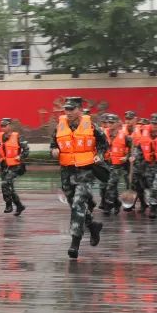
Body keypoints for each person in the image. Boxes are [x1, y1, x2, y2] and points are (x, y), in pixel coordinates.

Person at [52, 98, 108, 259]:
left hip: (85, 171)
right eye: (66, 109)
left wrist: (99, 155)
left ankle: (74, 243)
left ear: (79, 109)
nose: (68, 112)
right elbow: (53, 143)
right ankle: (93, 226)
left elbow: (104, 143)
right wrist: (54, 150)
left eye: (71, 109)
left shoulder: (91, 126)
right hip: (67, 172)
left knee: (78, 203)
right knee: (74, 205)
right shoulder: (60, 126)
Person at [0, 117, 29, 216]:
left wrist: (21, 156)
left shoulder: (18, 136)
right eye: (1, 126)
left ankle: (8, 204)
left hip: (15, 165)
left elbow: (26, 149)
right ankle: (19, 205)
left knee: (5, 183)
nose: (3, 128)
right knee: (9, 187)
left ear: (10, 126)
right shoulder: (0, 136)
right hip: (4, 165)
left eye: (5, 125)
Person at [100, 114, 129, 216]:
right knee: (104, 185)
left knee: (111, 184)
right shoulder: (103, 134)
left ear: (117, 123)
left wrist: (127, 156)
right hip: (105, 163)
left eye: (112, 122)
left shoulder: (124, 136)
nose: (110, 124)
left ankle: (108, 206)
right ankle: (116, 203)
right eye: (108, 122)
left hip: (117, 165)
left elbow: (133, 147)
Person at [127, 112, 152, 214]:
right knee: (137, 185)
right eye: (140, 125)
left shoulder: (150, 135)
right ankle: (142, 203)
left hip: (148, 164)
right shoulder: (134, 134)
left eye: (144, 125)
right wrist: (130, 156)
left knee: (149, 185)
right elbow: (131, 148)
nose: (141, 127)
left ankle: (156, 203)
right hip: (137, 165)